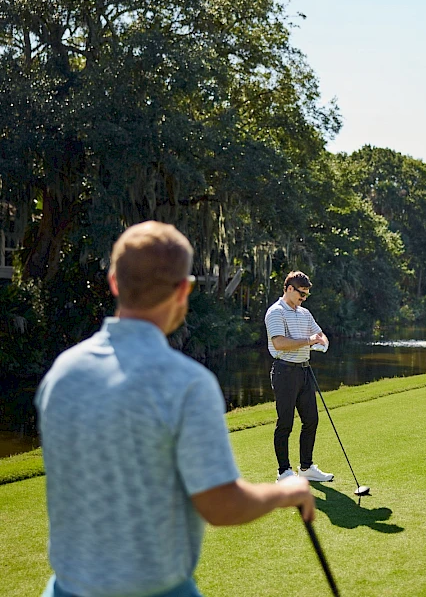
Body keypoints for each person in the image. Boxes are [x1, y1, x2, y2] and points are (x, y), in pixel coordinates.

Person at [35, 221, 315, 597]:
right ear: (183, 290)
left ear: (115, 282)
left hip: (65, 588)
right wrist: (289, 492)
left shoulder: (62, 373)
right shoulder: (187, 383)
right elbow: (221, 506)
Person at [265, 271, 333, 483]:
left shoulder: (304, 313)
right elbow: (279, 343)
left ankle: (306, 467)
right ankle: (284, 472)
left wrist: (321, 342)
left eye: (306, 295)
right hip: (284, 372)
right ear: (289, 289)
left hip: (304, 371)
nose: (303, 298)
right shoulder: (276, 312)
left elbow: (319, 334)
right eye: (301, 293)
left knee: (311, 419)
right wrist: (309, 341)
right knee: (285, 423)